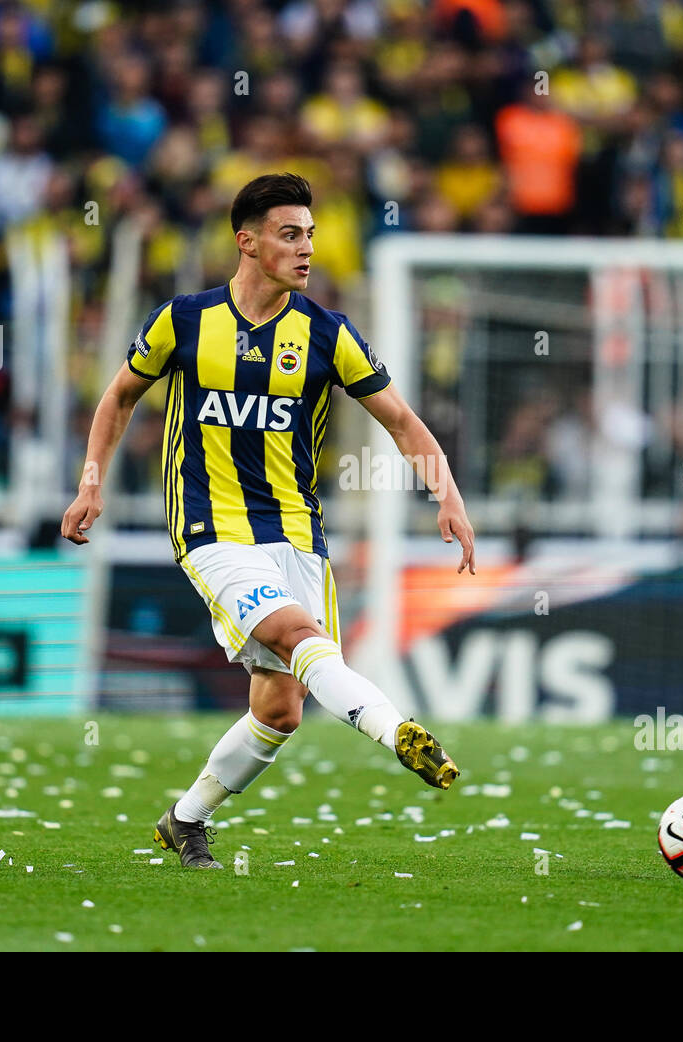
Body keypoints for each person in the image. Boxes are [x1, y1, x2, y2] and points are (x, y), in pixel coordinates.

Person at [61, 173, 475, 868]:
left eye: (310, 235)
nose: (307, 249)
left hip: (295, 536)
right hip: (211, 529)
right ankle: (396, 730)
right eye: (291, 234)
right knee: (298, 633)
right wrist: (92, 485)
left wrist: (448, 494)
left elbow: (402, 421)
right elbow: (119, 396)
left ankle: (183, 821)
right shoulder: (184, 320)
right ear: (246, 242)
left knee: (280, 710)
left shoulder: (326, 334)